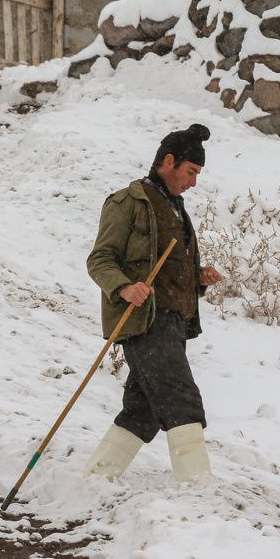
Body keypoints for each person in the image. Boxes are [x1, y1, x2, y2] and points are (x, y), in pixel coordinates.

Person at [82, 123, 224, 483]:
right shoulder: (128, 202)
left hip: (174, 324)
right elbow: (100, 260)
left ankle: (96, 479)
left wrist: (199, 276)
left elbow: (174, 269)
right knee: (181, 397)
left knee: (142, 410)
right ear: (169, 161)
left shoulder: (176, 210)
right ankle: (198, 486)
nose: (193, 182)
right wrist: (125, 287)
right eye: (191, 172)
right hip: (145, 321)